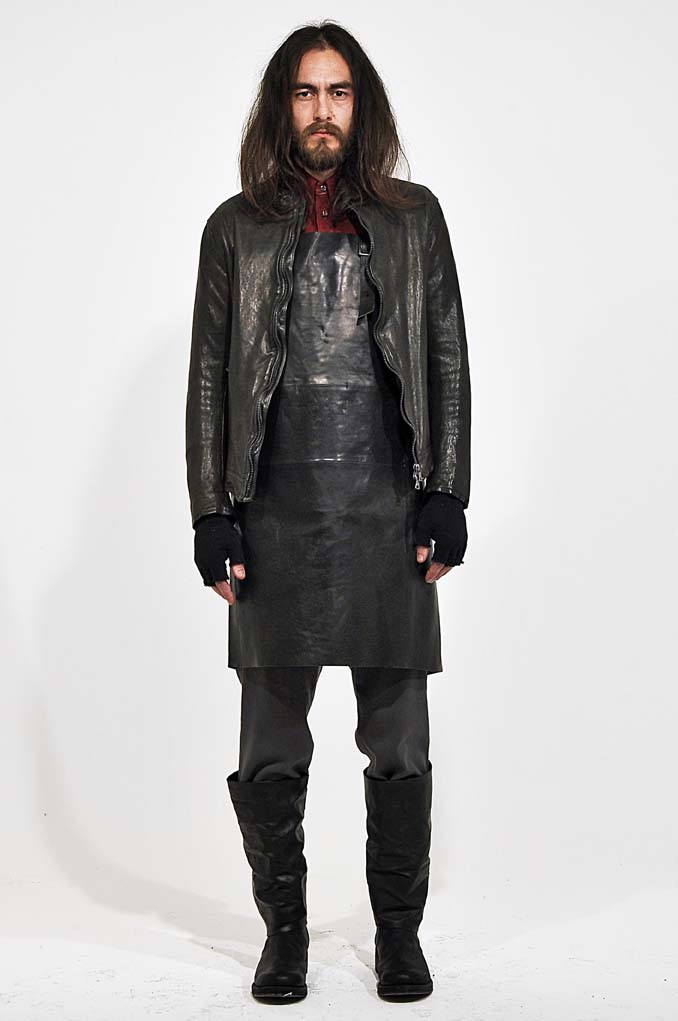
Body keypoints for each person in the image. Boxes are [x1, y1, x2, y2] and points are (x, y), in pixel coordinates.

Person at [185, 21, 471, 1005]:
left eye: (338, 92)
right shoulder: (233, 229)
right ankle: (285, 935)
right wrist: (211, 515)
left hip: (388, 513)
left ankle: (399, 934)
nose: (322, 110)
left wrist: (446, 491)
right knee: (269, 748)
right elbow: (209, 380)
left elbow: (446, 357)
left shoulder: (415, 219)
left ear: (361, 105)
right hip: (271, 519)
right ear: (282, 107)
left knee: (399, 743)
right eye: (305, 92)